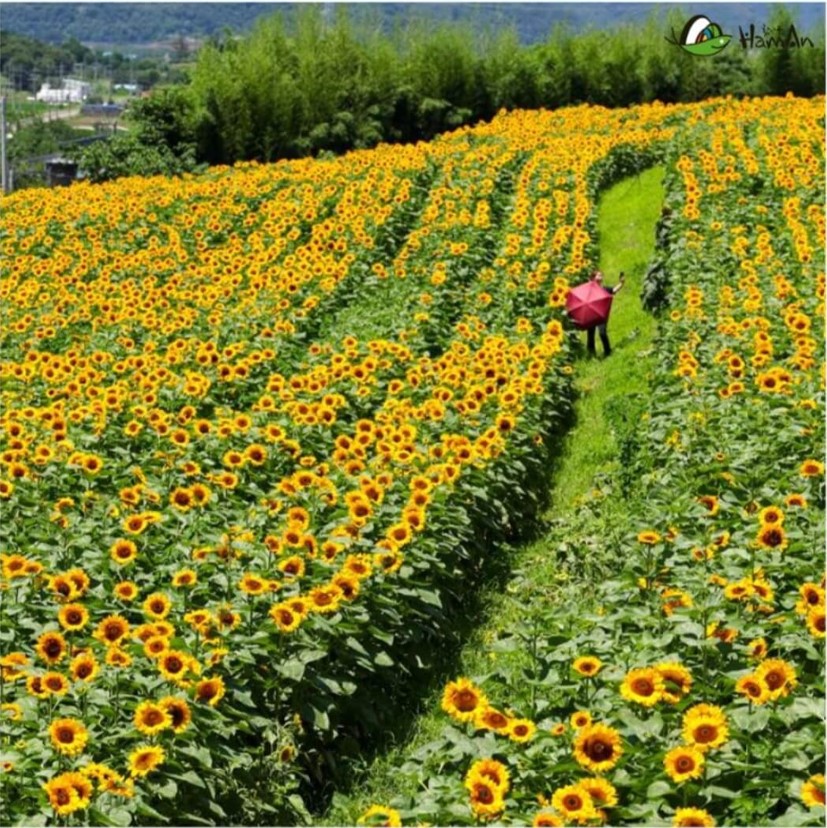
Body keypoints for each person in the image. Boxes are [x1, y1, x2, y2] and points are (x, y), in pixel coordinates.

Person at [586, 270, 625, 357]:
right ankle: (591, 353)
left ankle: (608, 352)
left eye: (601, 276)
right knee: (590, 334)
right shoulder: (589, 290)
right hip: (591, 314)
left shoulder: (604, 289)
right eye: (598, 275)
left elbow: (614, 290)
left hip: (601, 314)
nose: (600, 277)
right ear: (593, 278)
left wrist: (621, 283)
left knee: (602, 333)